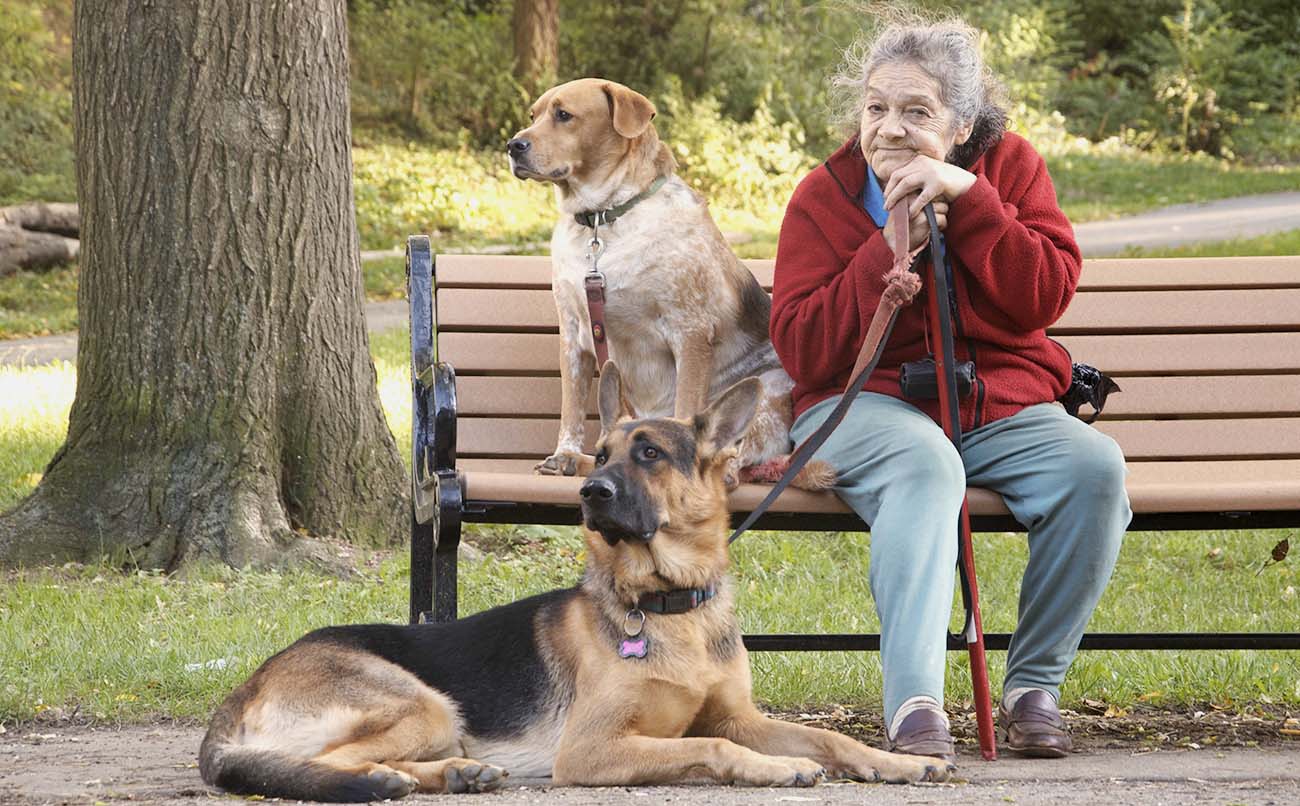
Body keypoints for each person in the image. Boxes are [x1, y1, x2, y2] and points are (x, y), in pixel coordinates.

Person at [770, 18, 1131, 763]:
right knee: (927, 463)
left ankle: (1034, 687)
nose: (890, 129)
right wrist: (885, 250)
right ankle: (915, 705)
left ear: (963, 123)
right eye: (876, 109)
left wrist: (971, 204)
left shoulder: (1011, 168)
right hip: (864, 409)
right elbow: (802, 347)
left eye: (916, 112)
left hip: (992, 403)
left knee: (1094, 471)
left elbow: (1044, 295)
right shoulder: (824, 196)